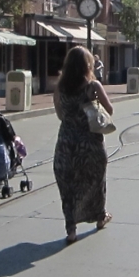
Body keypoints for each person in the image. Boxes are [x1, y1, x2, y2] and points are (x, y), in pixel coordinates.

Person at [53, 45, 114, 244]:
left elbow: (61, 115)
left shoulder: (60, 87)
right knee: (95, 181)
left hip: (66, 143)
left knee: (67, 185)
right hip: (90, 144)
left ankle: (71, 229)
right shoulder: (92, 86)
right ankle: (100, 216)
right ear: (88, 65)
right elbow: (109, 110)